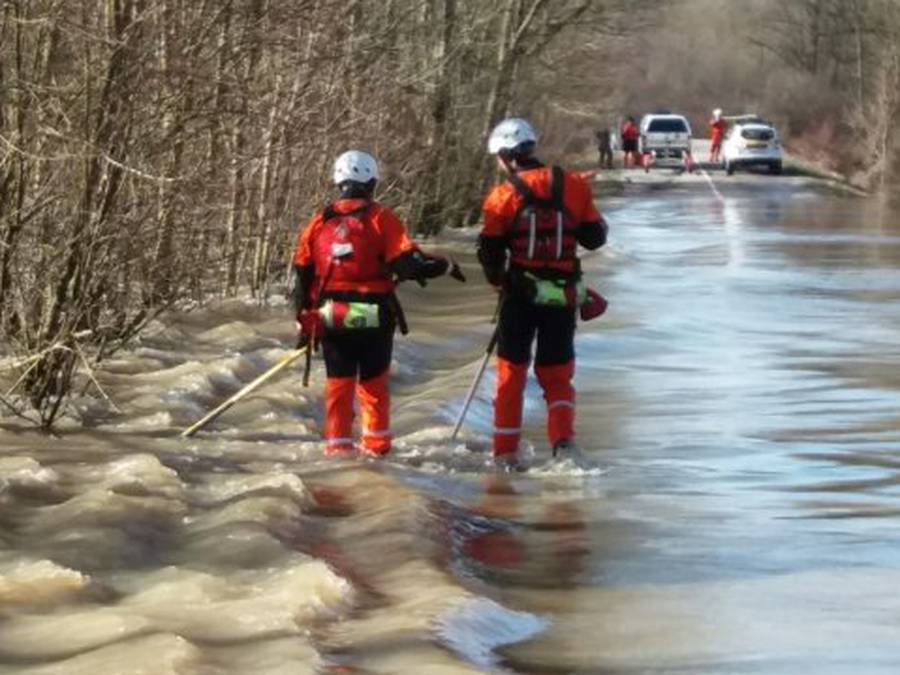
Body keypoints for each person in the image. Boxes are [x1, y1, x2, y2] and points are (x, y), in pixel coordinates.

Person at [292, 150, 455, 457]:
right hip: (375, 314)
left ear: (338, 181)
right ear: (372, 182)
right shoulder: (382, 218)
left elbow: (301, 274)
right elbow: (408, 264)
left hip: (330, 316)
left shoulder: (318, 222)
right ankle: (377, 451)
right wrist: (442, 267)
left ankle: (337, 450)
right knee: (373, 386)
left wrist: (303, 321)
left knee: (338, 386)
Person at [477, 118, 609, 469]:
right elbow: (595, 238)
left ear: (505, 156)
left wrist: (498, 283)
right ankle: (564, 444)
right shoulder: (573, 186)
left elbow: (489, 252)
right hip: (563, 296)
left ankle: (505, 453)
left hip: (519, 297)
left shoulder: (501, 196)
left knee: (511, 372)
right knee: (557, 372)